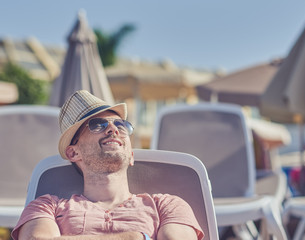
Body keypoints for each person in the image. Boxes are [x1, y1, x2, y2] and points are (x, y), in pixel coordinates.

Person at [12, 90, 204, 240]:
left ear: (131, 155)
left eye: (121, 125)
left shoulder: (167, 205)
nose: (113, 129)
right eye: (97, 125)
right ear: (73, 152)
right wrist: (133, 237)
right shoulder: (48, 206)